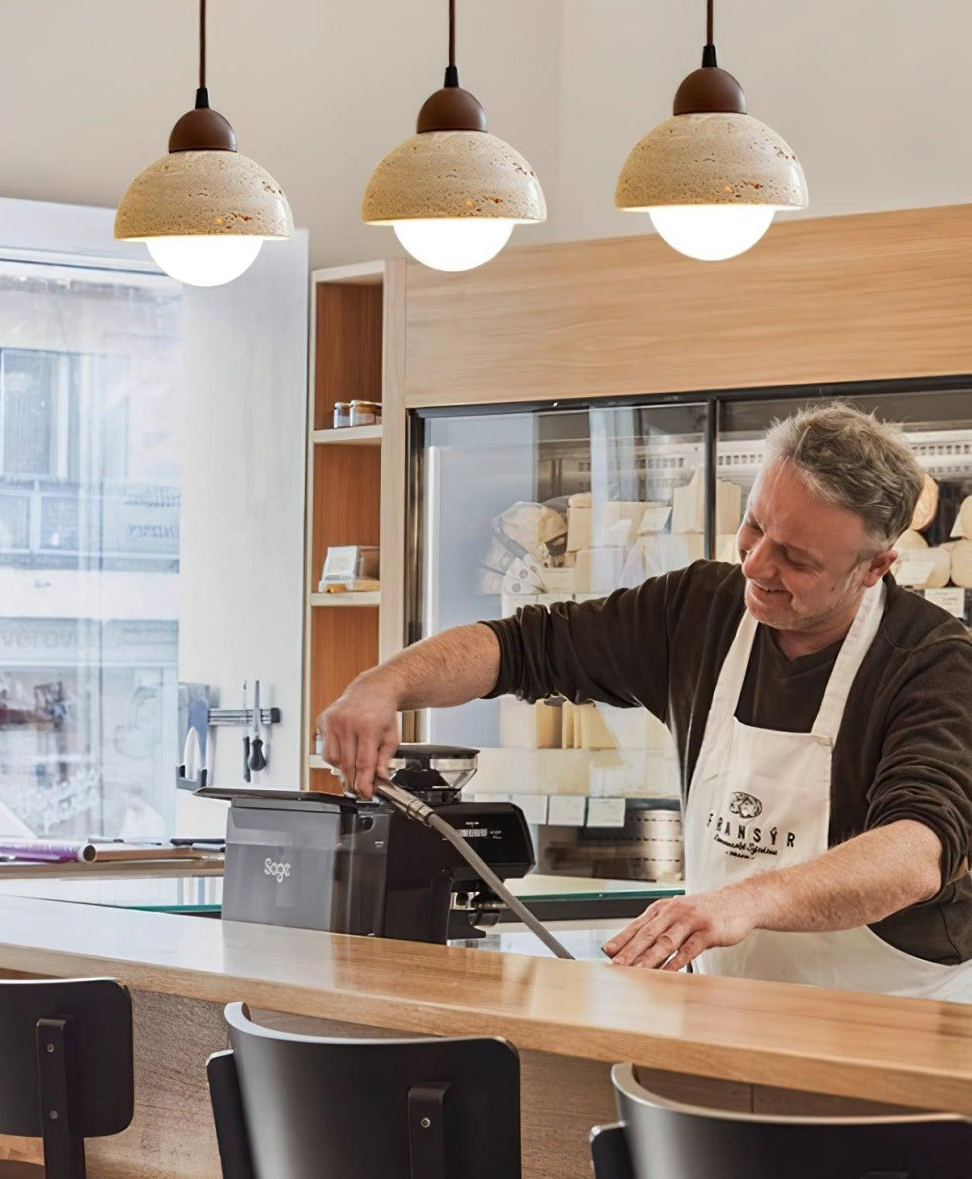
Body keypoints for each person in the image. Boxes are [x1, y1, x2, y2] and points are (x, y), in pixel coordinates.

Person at [319, 404, 972, 1001]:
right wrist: (385, 686)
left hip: (898, 1011)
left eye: (796, 560)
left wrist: (743, 902)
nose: (755, 565)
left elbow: (916, 853)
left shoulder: (935, 661)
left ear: (874, 567)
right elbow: (521, 646)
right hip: (733, 1003)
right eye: (754, 527)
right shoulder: (698, 609)